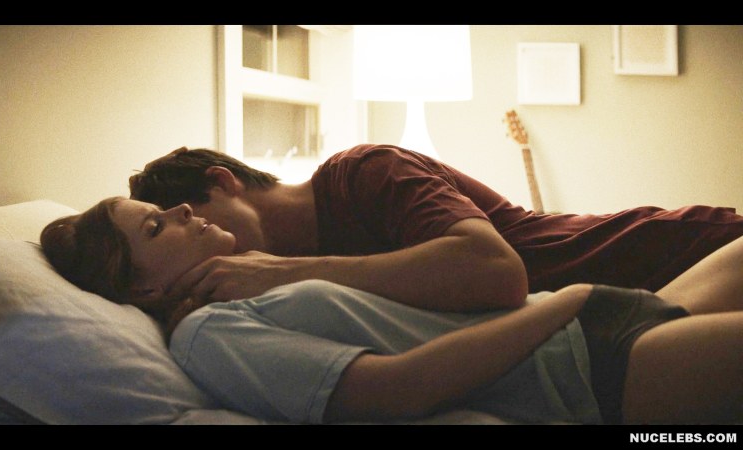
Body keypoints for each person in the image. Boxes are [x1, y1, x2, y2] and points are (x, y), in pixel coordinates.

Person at [40, 197, 743, 424]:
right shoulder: (208, 335)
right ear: (142, 291)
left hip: (597, 321)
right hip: (586, 365)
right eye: (155, 226)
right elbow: (395, 389)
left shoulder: (250, 285)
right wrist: (568, 301)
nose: (179, 210)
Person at [127, 144, 743, 314]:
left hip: (675, 252)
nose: (203, 239)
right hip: (631, 316)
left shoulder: (363, 172)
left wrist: (283, 273)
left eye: (193, 215)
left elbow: (497, 274)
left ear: (223, 182)